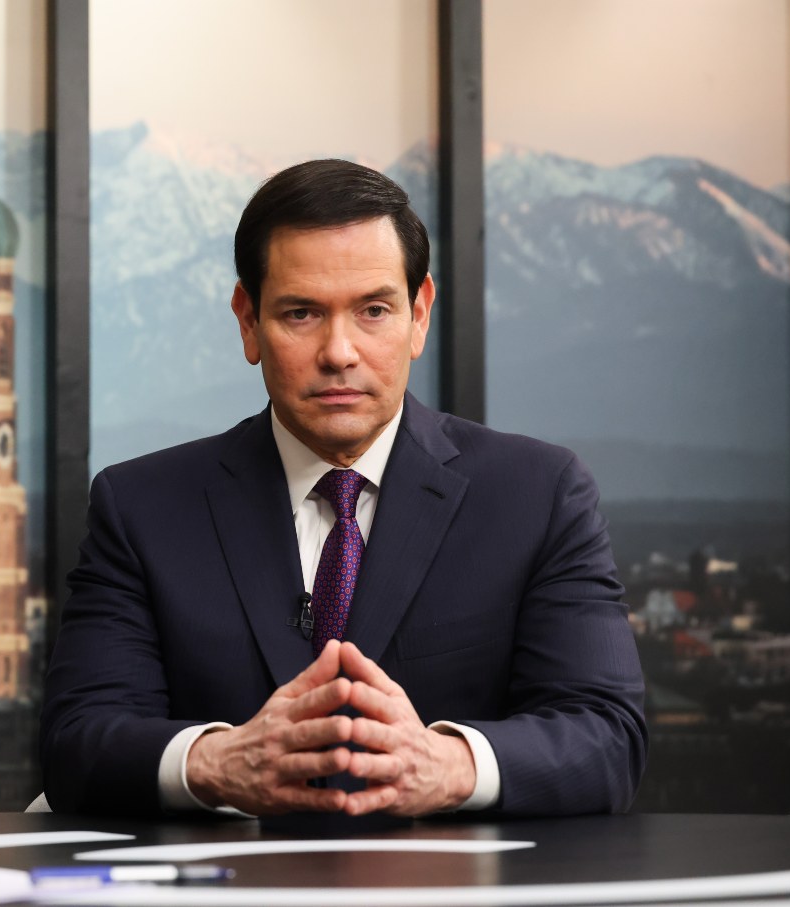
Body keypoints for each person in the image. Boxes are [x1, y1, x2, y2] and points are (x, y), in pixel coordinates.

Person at [41, 159, 647, 819]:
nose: (339, 351)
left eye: (374, 311)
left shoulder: (537, 495)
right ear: (248, 321)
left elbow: (606, 735)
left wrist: (448, 765)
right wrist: (219, 762)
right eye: (301, 313)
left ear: (419, 316)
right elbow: (77, 742)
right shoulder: (143, 507)